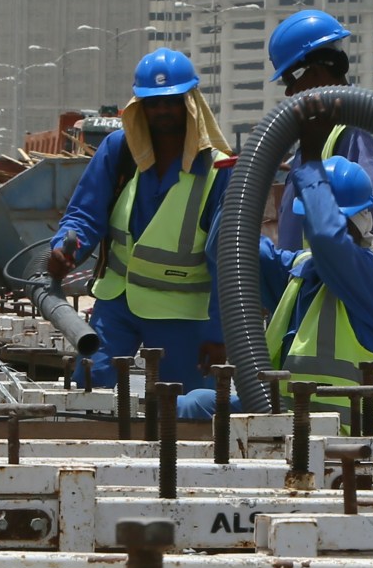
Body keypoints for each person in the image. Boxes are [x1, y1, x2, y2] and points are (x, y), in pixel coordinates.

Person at [177, 105, 373, 432]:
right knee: (194, 404)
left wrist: (310, 164)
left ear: (362, 219)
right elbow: (228, 250)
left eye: (327, 218)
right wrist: (245, 182)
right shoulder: (299, 271)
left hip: (343, 438)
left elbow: (328, 239)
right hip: (281, 417)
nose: (312, 227)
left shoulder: (370, 278)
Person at [46, 47, 234, 392]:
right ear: (140, 106)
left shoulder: (217, 170)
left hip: (180, 314)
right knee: (90, 390)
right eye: (153, 102)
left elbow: (227, 259)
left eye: (172, 101)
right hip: (118, 302)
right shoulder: (120, 150)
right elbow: (85, 212)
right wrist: (66, 246)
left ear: (190, 103)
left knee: (181, 408)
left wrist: (218, 332)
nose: (163, 110)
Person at [268, 9, 373, 305]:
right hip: (311, 295)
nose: (289, 92)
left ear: (315, 71)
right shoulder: (317, 134)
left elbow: (372, 219)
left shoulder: (356, 130)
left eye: (290, 79)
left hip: (343, 304)